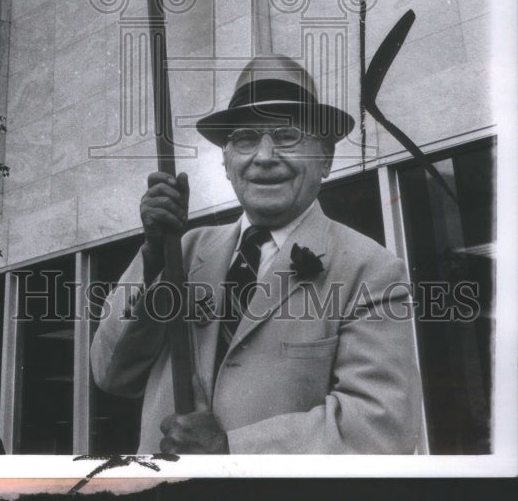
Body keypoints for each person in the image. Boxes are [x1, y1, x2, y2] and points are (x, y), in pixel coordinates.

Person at [90, 55, 423, 454]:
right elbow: (111, 374)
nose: (264, 156)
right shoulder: (181, 252)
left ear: (326, 159)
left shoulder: (370, 269)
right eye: (246, 138)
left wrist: (232, 450)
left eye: (286, 136)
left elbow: (382, 427)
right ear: (227, 163)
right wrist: (154, 262)